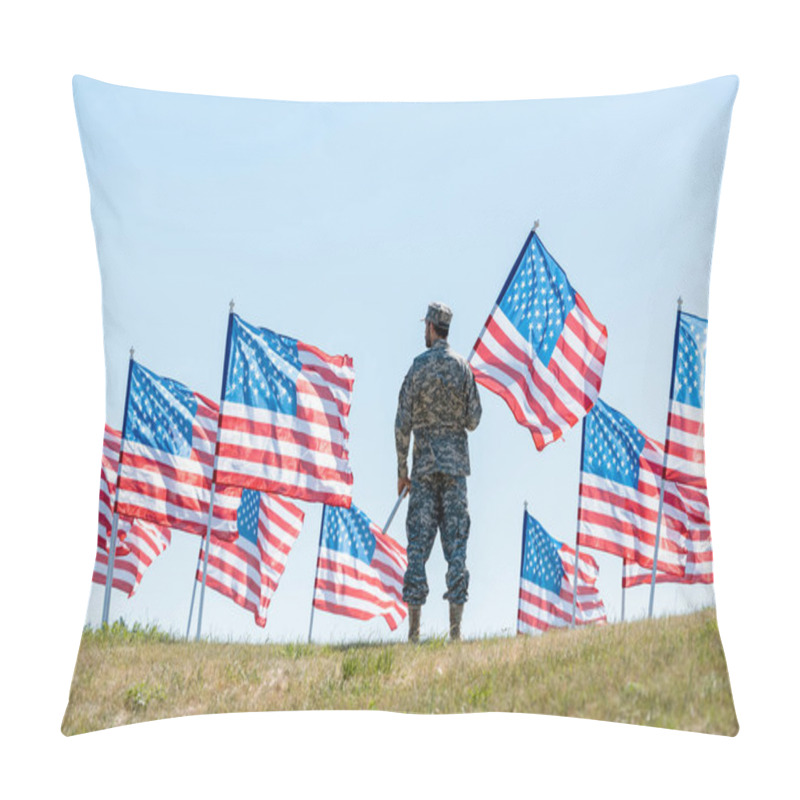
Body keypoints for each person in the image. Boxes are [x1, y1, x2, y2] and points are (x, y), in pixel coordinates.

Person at [395, 301, 482, 643]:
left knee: (417, 548)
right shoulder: (463, 368)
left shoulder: (417, 369)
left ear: (431, 327)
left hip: (424, 471)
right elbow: (474, 420)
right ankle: (455, 635)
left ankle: (414, 635)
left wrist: (402, 471)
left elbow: (401, 423)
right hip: (455, 470)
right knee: (456, 548)